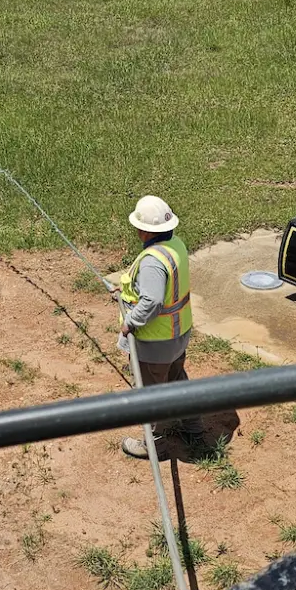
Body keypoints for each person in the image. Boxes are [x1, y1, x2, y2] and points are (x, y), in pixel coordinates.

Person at [116, 195, 204, 459]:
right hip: (178, 334)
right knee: (177, 379)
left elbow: (152, 300)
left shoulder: (152, 261)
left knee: (150, 390)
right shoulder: (175, 245)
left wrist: (130, 322)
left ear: (144, 230)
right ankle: (194, 426)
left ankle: (153, 445)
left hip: (155, 342)